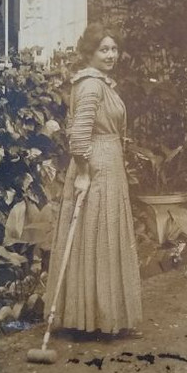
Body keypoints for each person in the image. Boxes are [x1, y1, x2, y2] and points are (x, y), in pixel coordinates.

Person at [45, 23, 143, 339]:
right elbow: (78, 135)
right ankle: (90, 318)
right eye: (104, 49)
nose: (111, 54)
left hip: (109, 163)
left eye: (114, 48)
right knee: (96, 236)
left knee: (104, 235)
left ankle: (104, 315)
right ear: (90, 52)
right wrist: (84, 173)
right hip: (97, 165)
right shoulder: (90, 85)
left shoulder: (102, 83)